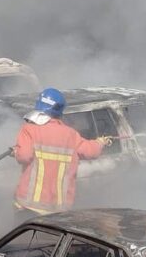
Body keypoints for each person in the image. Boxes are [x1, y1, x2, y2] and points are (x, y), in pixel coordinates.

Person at [13, 88, 111, 219]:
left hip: (29, 207)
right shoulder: (71, 134)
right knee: (50, 240)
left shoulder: (29, 129)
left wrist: (16, 151)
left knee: (21, 239)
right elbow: (91, 152)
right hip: (58, 210)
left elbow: (24, 156)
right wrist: (100, 143)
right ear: (60, 111)